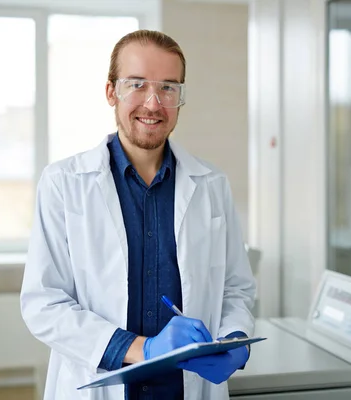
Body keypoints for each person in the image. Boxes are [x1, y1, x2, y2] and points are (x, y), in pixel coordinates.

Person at [20, 29, 256, 400]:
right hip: (102, 383)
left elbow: (236, 288)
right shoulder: (64, 183)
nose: (153, 102)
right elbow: (44, 304)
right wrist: (142, 349)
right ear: (111, 92)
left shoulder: (211, 184)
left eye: (168, 87)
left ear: (180, 97)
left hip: (185, 389)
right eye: (137, 84)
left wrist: (235, 339)